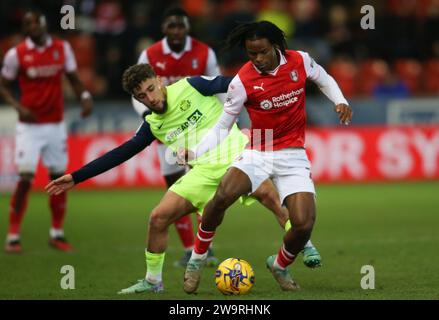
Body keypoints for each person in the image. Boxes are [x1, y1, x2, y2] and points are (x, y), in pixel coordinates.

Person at [45, 64, 319, 294]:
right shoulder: (152, 125)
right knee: (158, 217)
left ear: (160, 81)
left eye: (151, 88)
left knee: (269, 195)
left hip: (240, 157)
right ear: (137, 100)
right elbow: (119, 154)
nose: (150, 98)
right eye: (142, 96)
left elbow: (235, 83)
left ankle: (302, 245)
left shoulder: (193, 85)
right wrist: (76, 177)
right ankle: (153, 281)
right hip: (202, 172)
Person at [181, 21, 352, 293]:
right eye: (251, 54)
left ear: (276, 46)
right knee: (223, 196)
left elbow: (324, 78)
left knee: (303, 225)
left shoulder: (300, 61)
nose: (258, 59)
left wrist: (340, 100)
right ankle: (197, 258)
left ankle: (280, 264)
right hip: (259, 148)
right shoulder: (242, 81)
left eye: (262, 52)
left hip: (293, 153)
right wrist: (195, 151)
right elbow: (223, 126)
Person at [132, 6, 221, 267]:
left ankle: (207, 247)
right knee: (175, 189)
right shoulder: (149, 54)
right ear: (164, 28)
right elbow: (136, 90)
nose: (177, 31)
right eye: (172, 26)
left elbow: (215, 85)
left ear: (187, 27)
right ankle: (187, 249)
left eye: (180, 25)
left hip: (199, 129)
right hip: (168, 133)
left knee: (203, 191)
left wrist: (220, 119)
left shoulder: (204, 52)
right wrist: (146, 116)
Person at [0, 8, 93, 253]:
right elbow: (3, 86)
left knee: (58, 178)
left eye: (36, 22)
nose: (32, 27)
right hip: (29, 127)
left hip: (55, 124)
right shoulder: (16, 54)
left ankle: (57, 233)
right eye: (28, 24)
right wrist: (18, 106)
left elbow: (73, 77)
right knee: (25, 178)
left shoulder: (62, 49)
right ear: (25, 29)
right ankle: (13, 235)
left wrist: (84, 95)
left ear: (43, 24)